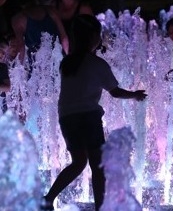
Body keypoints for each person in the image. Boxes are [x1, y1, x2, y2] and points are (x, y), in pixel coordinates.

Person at [40, 14, 147, 211]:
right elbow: (115, 92)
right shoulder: (96, 64)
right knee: (98, 166)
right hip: (88, 117)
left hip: (67, 117)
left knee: (79, 162)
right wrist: (135, 95)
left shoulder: (68, 63)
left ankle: (48, 198)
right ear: (92, 38)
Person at [0, 38, 10, 113]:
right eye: (2, 50)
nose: (3, 54)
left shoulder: (2, 67)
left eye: (5, 53)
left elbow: (7, 87)